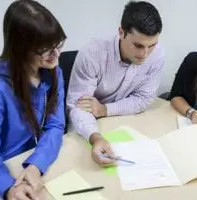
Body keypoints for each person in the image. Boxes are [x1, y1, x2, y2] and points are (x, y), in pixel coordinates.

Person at [0, 0, 66, 199]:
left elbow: (56, 126)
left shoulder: (53, 71)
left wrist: (36, 165)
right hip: (1, 173)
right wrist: (9, 188)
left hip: (36, 162)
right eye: (45, 49)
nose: (56, 55)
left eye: (58, 44)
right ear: (20, 48)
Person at [67, 1, 163, 166]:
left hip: (122, 121)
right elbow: (79, 107)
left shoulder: (158, 55)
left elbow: (143, 99)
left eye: (152, 45)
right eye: (138, 45)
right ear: (121, 32)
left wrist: (105, 109)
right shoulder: (93, 53)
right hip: (88, 127)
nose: (145, 54)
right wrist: (95, 137)